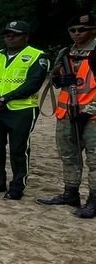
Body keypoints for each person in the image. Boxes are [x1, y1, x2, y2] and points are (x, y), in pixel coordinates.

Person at [0, 21, 49, 200]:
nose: (10, 37)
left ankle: (17, 186)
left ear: (26, 37)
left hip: (21, 109)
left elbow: (33, 83)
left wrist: (4, 99)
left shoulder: (37, 56)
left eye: (15, 34)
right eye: (7, 34)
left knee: (19, 149)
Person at [37, 13, 96, 218]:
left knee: (94, 161)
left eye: (82, 30)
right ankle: (70, 193)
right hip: (66, 113)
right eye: (73, 30)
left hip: (92, 117)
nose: (77, 34)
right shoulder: (65, 52)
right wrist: (60, 79)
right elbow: (54, 79)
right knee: (69, 156)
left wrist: (88, 112)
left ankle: (93, 201)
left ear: (93, 30)